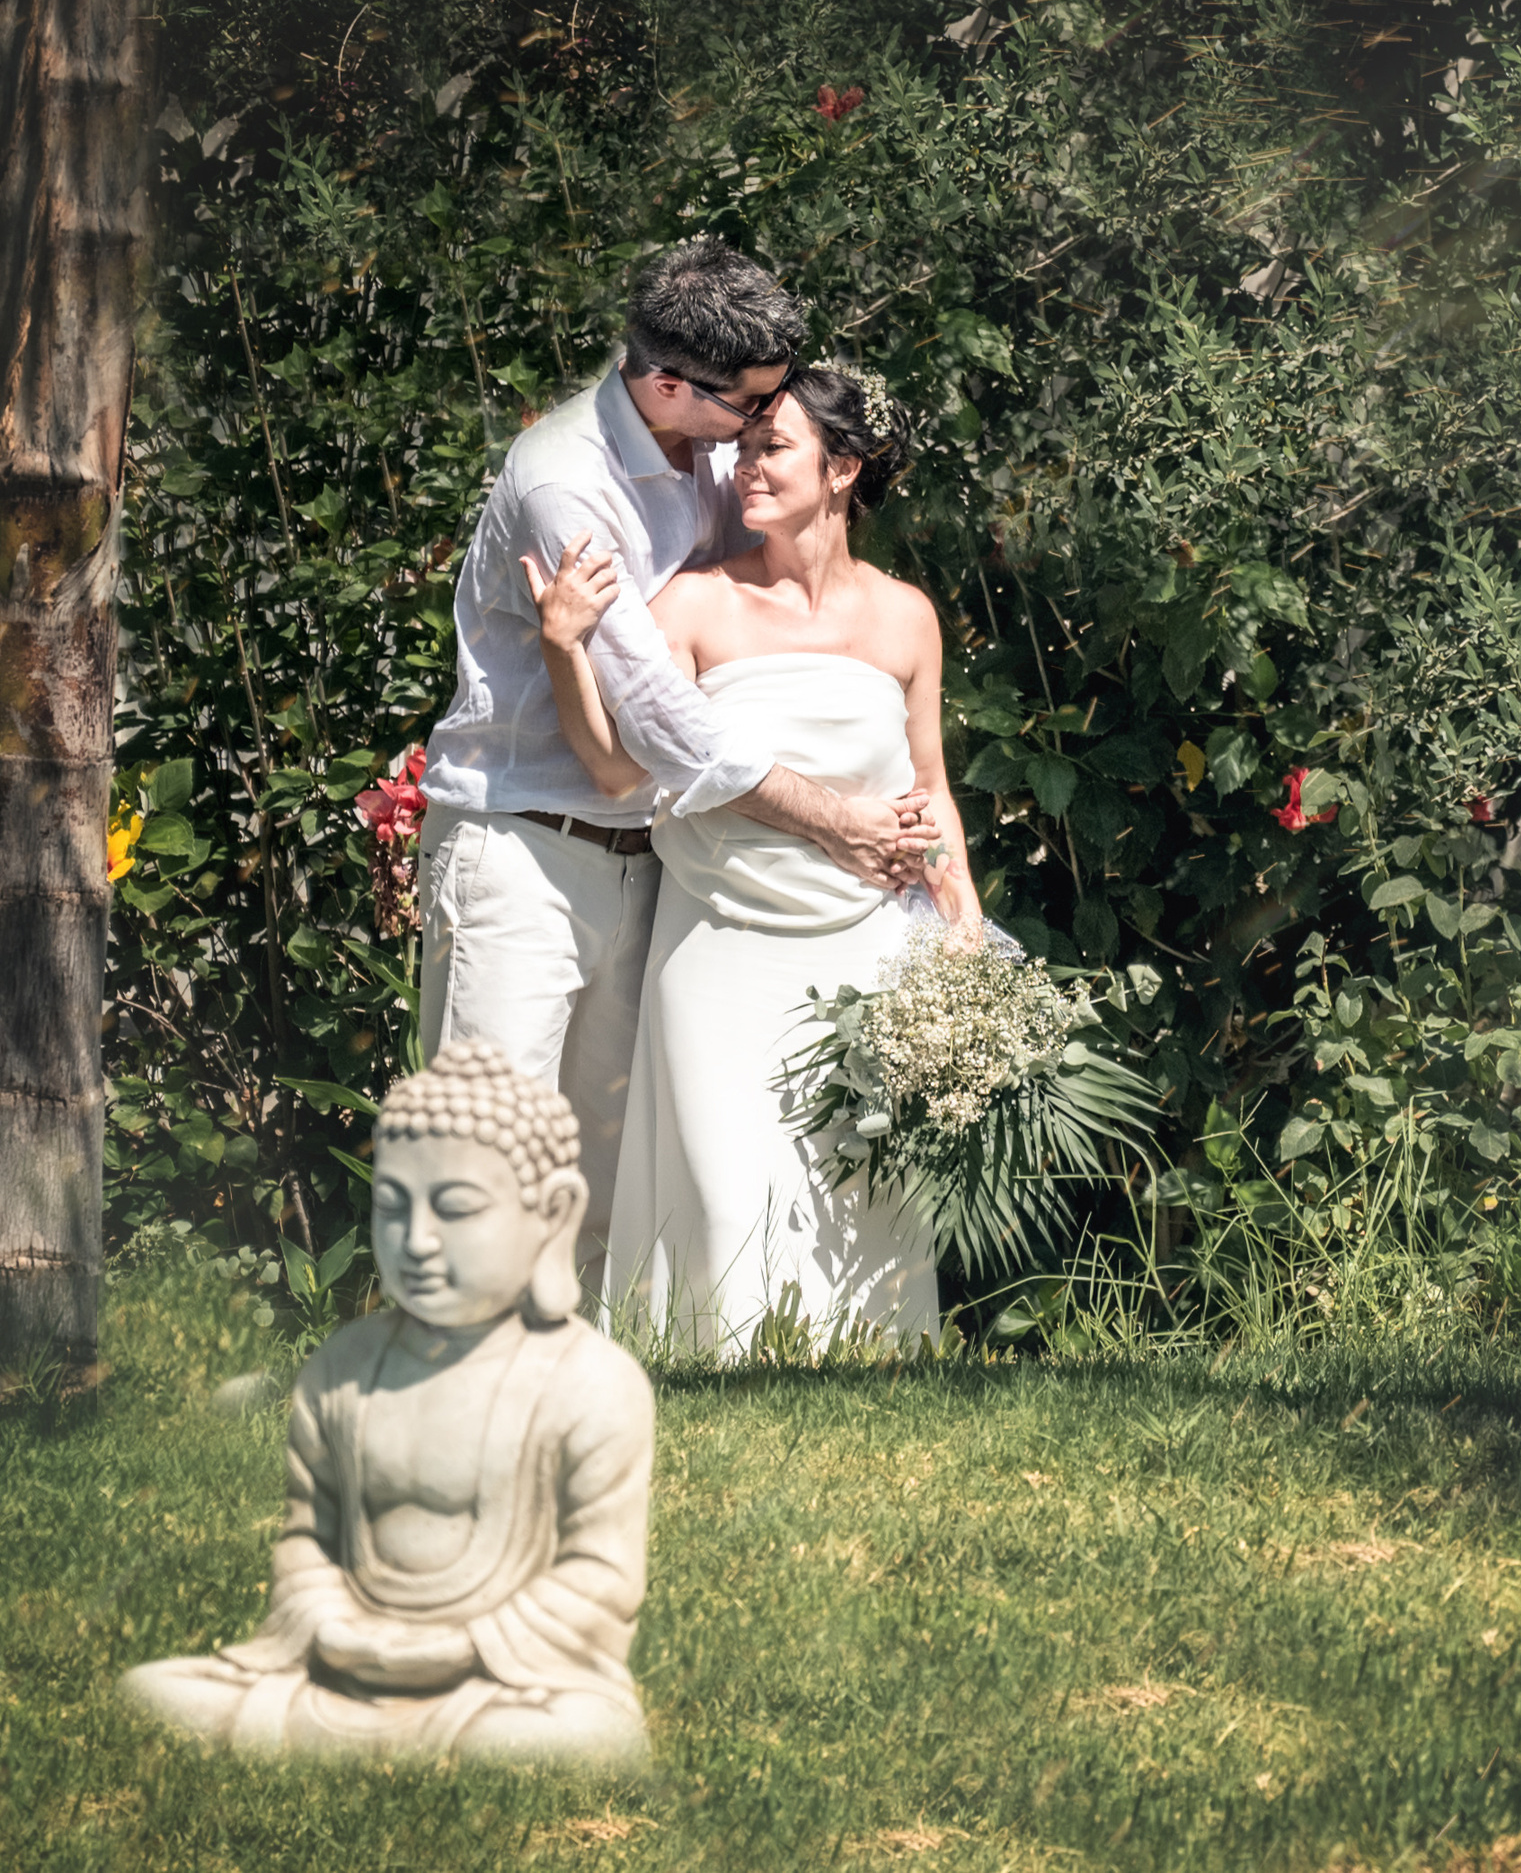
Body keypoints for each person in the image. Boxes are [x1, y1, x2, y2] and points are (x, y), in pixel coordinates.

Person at [413, 241, 937, 1285]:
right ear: (668, 384)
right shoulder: (567, 481)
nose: (758, 427)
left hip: (644, 857)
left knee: (605, 1172)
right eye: (750, 405)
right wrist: (831, 818)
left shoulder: (701, 459)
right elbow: (658, 716)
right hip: (524, 847)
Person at [523, 365, 973, 1357]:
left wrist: (964, 938)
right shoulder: (691, 605)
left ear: (843, 468)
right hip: (718, 943)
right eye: (740, 447)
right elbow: (610, 768)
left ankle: (865, 1378)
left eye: (771, 447)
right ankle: (708, 1370)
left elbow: (930, 787)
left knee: (863, 1192)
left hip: (866, 940)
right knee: (728, 1193)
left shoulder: (906, 618)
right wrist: (563, 644)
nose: (741, 468)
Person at [122, 1042, 654, 1766]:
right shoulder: (341, 1370)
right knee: (152, 1690)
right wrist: (333, 1622)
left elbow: (602, 1577)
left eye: (458, 1209)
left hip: (502, 1684)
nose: (418, 1242)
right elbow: (308, 1541)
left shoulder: (594, 1384)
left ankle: (367, 1738)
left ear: (553, 1213)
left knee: (582, 1739)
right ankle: (367, 1732)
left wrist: (463, 1646)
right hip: (345, 1663)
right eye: (393, 1208)